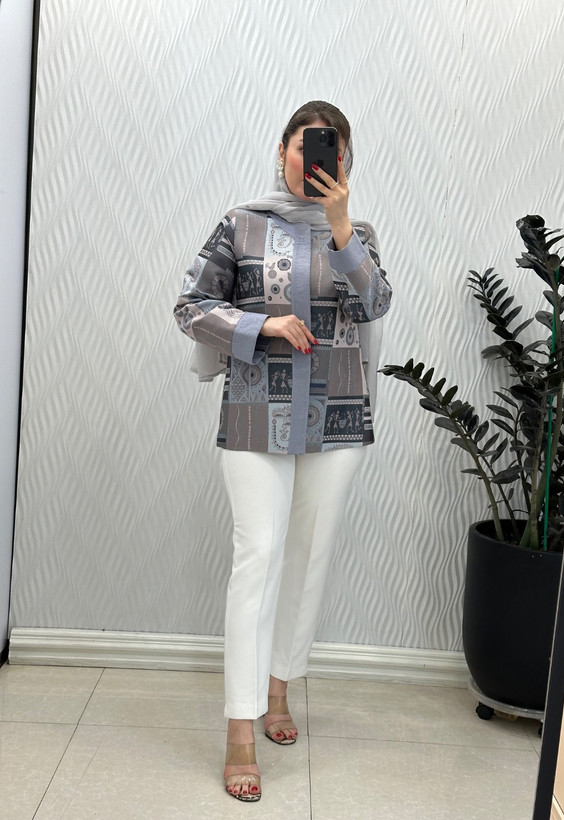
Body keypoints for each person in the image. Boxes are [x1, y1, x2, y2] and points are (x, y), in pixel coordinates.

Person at [173, 100, 391, 802]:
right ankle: (239, 728)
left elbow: (375, 306)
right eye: (307, 145)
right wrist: (262, 327)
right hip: (254, 412)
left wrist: (340, 228)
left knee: (308, 555)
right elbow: (190, 307)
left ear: (344, 162)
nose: (318, 158)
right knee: (259, 556)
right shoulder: (240, 224)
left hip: (337, 414)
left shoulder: (356, 234)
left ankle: (278, 689)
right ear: (283, 150)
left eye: (333, 149)